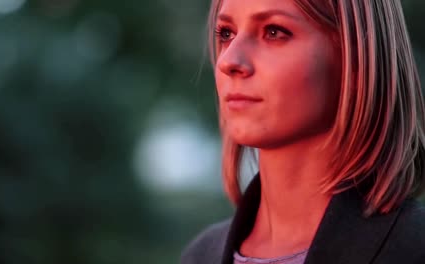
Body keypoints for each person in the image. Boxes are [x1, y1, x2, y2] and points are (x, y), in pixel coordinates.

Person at [181, 0, 425, 263]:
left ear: (356, 58)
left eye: (274, 32)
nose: (228, 61)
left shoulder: (414, 248)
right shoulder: (200, 256)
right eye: (226, 34)